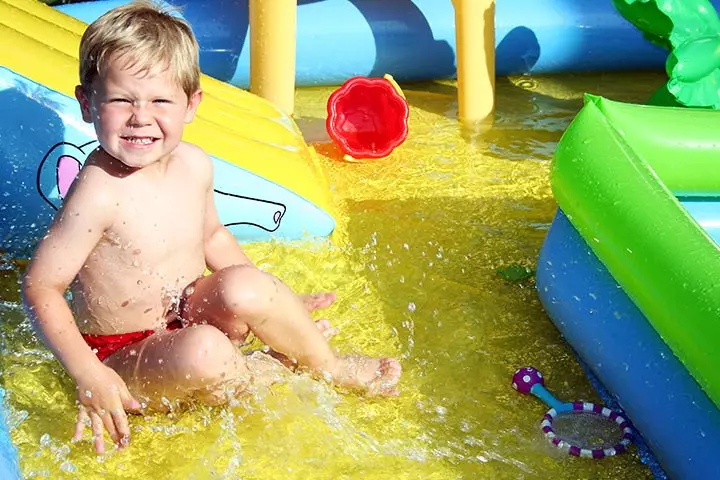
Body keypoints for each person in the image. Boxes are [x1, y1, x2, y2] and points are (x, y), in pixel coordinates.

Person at [21, 0, 401, 455]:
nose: (141, 117)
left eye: (160, 100)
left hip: (190, 315)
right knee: (205, 350)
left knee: (248, 285)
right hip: (125, 355)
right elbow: (42, 286)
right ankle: (260, 378)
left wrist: (275, 305)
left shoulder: (194, 164)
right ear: (88, 103)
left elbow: (213, 238)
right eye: (122, 99)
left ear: (191, 104)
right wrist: (89, 373)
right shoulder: (98, 192)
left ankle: (328, 366)